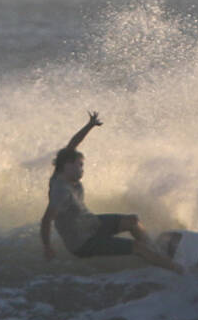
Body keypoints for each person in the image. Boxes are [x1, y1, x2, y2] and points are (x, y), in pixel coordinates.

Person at [40, 112, 185, 274]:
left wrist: (89, 126)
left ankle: (156, 253)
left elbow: (72, 145)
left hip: (90, 224)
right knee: (138, 247)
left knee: (133, 221)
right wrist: (47, 247)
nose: (82, 169)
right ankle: (179, 270)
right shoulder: (61, 191)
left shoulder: (60, 172)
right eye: (80, 165)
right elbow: (46, 220)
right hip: (83, 242)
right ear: (67, 165)